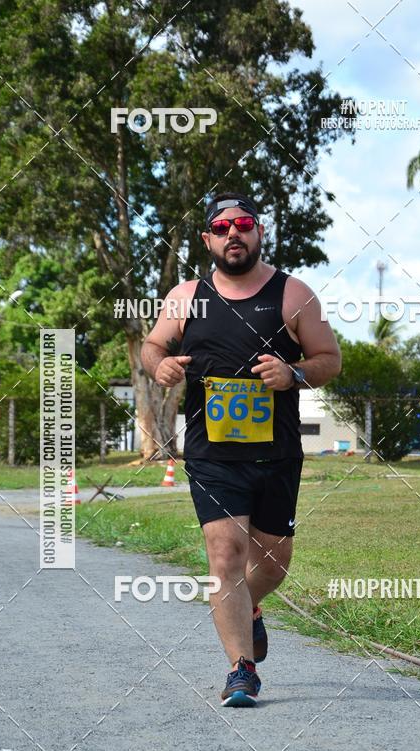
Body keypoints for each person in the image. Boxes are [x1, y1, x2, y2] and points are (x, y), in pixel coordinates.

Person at [142, 192, 341, 706]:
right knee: (224, 555)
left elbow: (330, 359)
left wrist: (293, 373)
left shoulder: (293, 294)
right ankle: (241, 670)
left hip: (277, 451)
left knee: (273, 563)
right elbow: (152, 346)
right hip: (211, 452)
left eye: (244, 224)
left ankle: (249, 607)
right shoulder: (186, 296)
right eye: (222, 227)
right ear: (208, 239)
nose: (235, 233)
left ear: (259, 233)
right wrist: (159, 366)